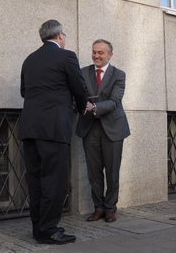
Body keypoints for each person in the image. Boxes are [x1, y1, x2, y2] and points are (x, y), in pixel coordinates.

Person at [18, 20, 88, 244]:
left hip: (30, 127)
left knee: (36, 180)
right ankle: (49, 230)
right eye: (64, 35)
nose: (65, 39)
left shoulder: (29, 59)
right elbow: (79, 87)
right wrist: (81, 106)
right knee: (54, 181)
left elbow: (23, 91)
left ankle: (38, 229)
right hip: (54, 127)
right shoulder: (66, 56)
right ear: (59, 35)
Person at [76, 39, 130, 223]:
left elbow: (115, 101)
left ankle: (110, 209)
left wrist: (94, 107)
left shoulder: (119, 75)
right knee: (94, 172)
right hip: (89, 128)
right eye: (94, 52)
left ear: (110, 55)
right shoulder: (82, 72)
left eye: (100, 52)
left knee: (112, 172)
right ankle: (98, 208)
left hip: (113, 128)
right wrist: (81, 105)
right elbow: (76, 95)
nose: (96, 56)